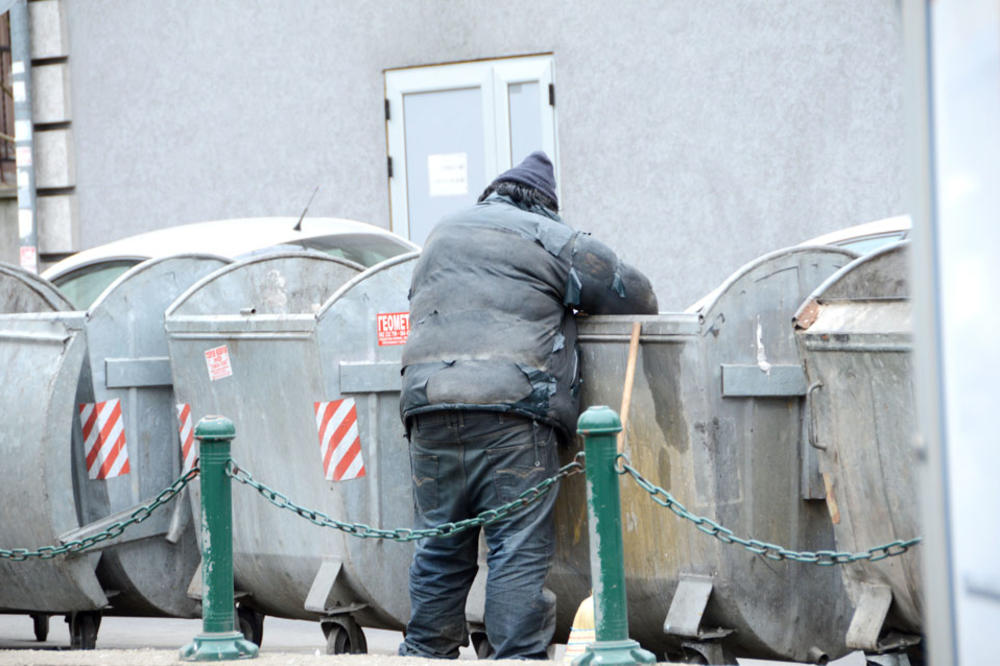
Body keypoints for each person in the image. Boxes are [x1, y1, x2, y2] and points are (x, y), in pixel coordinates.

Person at [398, 151, 658, 659]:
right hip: (512, 411)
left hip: (428, 407)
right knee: (515, 546)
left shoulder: (442, 234)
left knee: (439, 544)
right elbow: (637, 295)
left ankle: (425, 653)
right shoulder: (550, 237)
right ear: (544, 205)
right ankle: (517, 658)